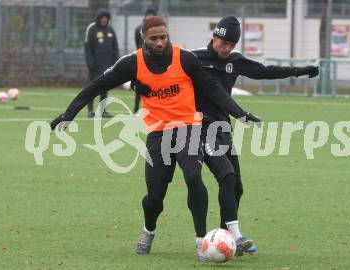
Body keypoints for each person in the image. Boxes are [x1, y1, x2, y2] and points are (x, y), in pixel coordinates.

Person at [50, 16, 260, 261]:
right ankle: (149, 229)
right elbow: (97, 86)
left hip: (188, 127)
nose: (160, 42)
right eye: (154, 38)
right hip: (158, 133)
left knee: (194, 176)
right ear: (144, 38)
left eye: (164, 37)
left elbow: (213, 89)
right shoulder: (132, 63)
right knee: (154, 197)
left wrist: (240, 114)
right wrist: (69, 114)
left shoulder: (185, 59)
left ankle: (202, 242)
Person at [191, 16, 320, 254]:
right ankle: (236, 237)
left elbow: (265, 71)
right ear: (214, 37)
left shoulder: (235, 60)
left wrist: (301, 71)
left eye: (231, 44)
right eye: (223, 42)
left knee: (237, 187)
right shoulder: (195, 58)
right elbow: (166, 68)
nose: (226, 48)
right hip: (200, 127)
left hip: (223, 127)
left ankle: (224, 237)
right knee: (226, 176)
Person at [84, 8, 120, 118]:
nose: (104, 20)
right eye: (102, 18)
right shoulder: (91, 28)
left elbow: (115, 47)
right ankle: (90, 111)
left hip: (107, 66)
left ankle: (103, 111)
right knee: (92, 88)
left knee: (104, 88)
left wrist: (116, 63)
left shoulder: (110, 30)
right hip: (95, 66)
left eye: (106, 18)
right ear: (99, 18)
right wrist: (90, 63)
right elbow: (87, 48)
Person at [133, 9, 157, 114]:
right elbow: (137, 44)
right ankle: (136, 107)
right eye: (148, 18)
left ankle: (152, 108)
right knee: (139, 83)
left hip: (155, 61)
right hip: (142, 60)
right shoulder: (138, 29)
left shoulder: (159, 30)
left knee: (154, 85)